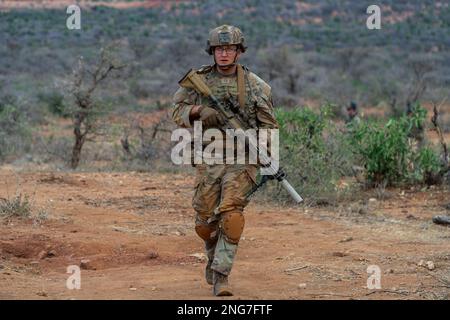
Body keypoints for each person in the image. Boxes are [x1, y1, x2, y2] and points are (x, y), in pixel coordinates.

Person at [171, 25, 279, 296]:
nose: (224, 54)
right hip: (208, 157)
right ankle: (213, 258)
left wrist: (264, 153)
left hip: (243, 158)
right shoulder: (199, 80)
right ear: (212, 51)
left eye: (229, 48)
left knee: (231, 214)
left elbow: (269, 125)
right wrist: (199, 111)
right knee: (205, 221)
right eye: (219, 49)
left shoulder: (255, 85)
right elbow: (176, 110)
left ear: (239, 52)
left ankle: (221, 275)